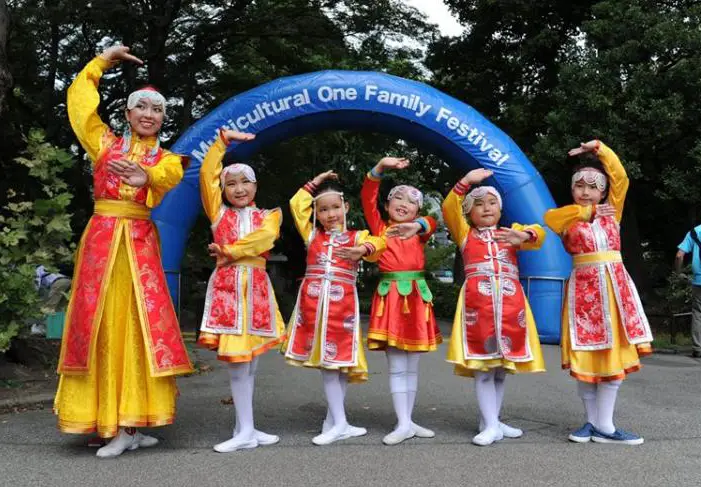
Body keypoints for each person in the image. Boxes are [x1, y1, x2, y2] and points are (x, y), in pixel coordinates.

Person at [54, 45, 192, 458]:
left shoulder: (167, 159)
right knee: (96, 328)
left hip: (137, 246)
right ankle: (106, 419)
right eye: (141, 107)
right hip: (100, 243)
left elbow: (165, 178)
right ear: (129, 115)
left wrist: (144, 174)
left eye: (157, 110)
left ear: (163, 119)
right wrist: (100, 61)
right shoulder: (104, 145)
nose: (149, 114)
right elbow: (79, 107)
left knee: (134, 328)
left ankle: (131, 423)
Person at [544, 139, 653, 445]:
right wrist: (586, 212)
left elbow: (621, 176)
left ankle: (605, 425)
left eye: (593, 187)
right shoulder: (567, 216)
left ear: (604, 192)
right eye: (580, 186)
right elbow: (551, 220)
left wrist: (599, 149)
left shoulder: (612, 213)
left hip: (615, 292)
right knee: (587, 357)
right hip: (583, 294)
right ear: (572, 190)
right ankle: (592, 423)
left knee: (613, 356)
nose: (586, 191)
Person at [197, 128, 286, 452]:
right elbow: (207, 173)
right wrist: (221, 144)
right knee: (237, 363)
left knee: (251, 365)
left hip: (257, 293)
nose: (238, 188)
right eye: (230, 183)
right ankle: (245, 430)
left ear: (255, 186)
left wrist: (229, 251)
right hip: (228, 294)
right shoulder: (217, 213)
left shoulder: (269, 216)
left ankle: (244, 427)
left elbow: (264, 240)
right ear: (222, 189)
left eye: (244, 182)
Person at [443, 168, 546, 446]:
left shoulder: (510, 233)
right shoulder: (465, 234)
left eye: (492, 202)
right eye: (478, 203)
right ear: (468, 213)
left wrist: (524, 236)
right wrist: (466, 182)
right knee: (484, 367)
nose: (486, 208)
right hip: (479, 307)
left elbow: (540, 232)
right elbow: (448, 206)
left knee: (501, 369)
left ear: (500, 210)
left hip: (512, 307)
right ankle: (490, 424)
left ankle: (492, 420)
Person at [284, 171, 385, 445]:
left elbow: (380, 242)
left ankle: (336, 421)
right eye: (323, 209)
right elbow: (296, 203)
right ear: (316, 213)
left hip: (343, 311)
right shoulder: (312, 235)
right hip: (315, 308)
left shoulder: (356, 236)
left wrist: (362, 249)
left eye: (335, 207)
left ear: (346, 208)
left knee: (338, 364)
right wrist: (314, 181)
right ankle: (338, 421)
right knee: (329, 364)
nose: (330, 214)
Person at [360, 157, 441, 446]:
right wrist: (379, 168)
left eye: (411, 201)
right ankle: (403, 422)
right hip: (391, 297)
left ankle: (408, 420)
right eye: (397, 198)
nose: (403, 203)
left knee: (413, 365)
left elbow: (433, 221)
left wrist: (419, 225)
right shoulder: (380, 228)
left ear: (418, 210)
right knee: (396, 363)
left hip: (417, 296)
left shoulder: (420, 232)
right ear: (386, 206)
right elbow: (367, 194)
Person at [675, 225, 701, 358]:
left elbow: (679, 255)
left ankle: (698, 348)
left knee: (698, 313)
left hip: (698, 281)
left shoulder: (695, 232)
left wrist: (679, 273)